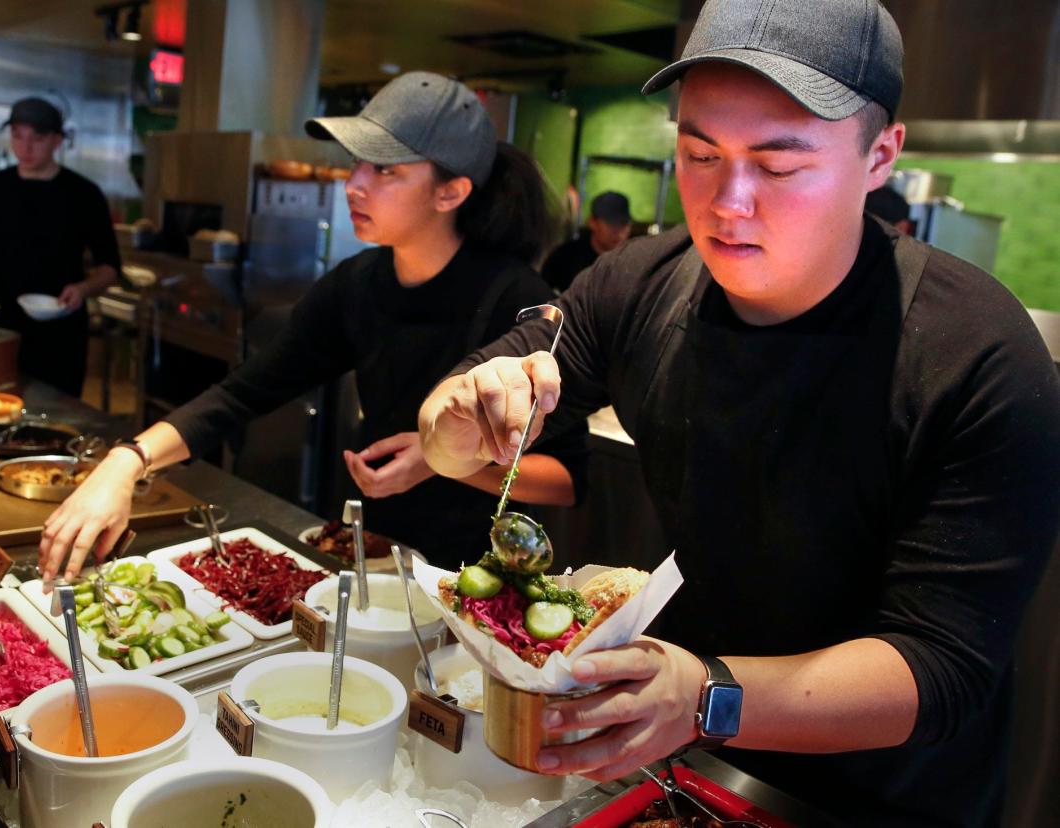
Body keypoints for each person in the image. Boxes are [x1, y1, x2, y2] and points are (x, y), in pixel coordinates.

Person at [417, 1, 1060, 825]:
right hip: (682, 768)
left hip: (882, 796)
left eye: (780, 164)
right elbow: (471, 392)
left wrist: (706, 694)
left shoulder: (975, 353)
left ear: (880, 157)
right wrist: (455, 425)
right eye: (699, 153)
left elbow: (941, 665)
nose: (728, 202)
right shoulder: (640, 282)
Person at [39, 72, 587, 580]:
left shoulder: (520, 301)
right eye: (357, 163)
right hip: (372, 557)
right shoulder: (359, 283)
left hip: (470, 578)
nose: (354, 184)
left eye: (385, 170)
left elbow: (564, 482)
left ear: (450, 192)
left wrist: (446, 460)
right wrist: (124, 463)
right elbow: (243, 392)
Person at [0, 97, 120, 397]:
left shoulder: (84, 194)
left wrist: (82, 289)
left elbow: (110, 267)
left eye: (37, 138)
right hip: (1, 328)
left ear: (57, 140)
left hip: (62, 334)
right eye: (18, 136)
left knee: (58, 415)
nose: (25, 147)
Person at [540, 191, 633, 293]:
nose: (618, 231)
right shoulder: (566, 256)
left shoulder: (634, 260)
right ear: (592, 222)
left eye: (623, 224)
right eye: (611, 224)